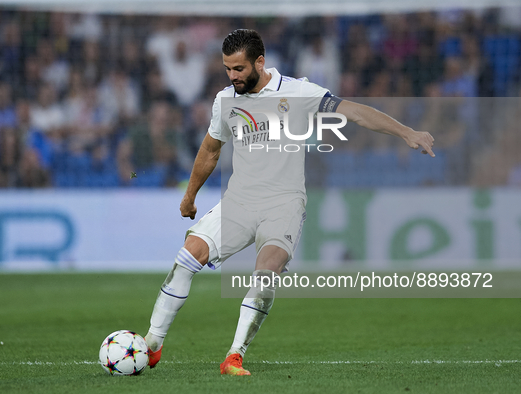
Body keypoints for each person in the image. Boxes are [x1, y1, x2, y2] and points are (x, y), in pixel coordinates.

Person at [143, 29, 435, 376]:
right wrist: (189, 195)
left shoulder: (298, 92)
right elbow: (210, 148)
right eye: (227, 69)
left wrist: (407, 132)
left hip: (284, 204)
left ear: (260, 62)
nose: (232, 76)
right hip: (238, 201)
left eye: (238, 69)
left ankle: (234, 355)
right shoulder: (225, 101)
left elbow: (355, 112)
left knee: (265, 273)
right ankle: (151, 345)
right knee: (188, 255)